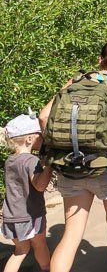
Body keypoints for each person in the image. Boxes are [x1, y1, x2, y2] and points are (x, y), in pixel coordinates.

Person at [39, 40, 107, 272]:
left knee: (71, 235)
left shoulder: (76, 82)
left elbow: (44, 116)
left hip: (70, 165)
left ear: (99, 59)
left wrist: (59, 147)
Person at [1, 111, 53, 272]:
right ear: (29, 139)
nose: (42, 138)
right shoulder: (31, 161)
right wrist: (50, 166)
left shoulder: (10, 160)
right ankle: (47, 269)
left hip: (11, 215)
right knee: (40, 244)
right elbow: (39, 185)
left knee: (20, 250)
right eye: (39, 135)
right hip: (30, 215)